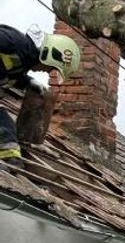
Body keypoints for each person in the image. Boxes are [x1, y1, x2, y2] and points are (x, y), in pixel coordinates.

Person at [0, 26, 81, 164]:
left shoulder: (22, 60)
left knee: (5, 125)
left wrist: (28, 82)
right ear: (49, 56)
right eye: (52, 67)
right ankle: (10, 160)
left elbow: (7, 72)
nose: (48, 71)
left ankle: (10, 162)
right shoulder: (15, 41)